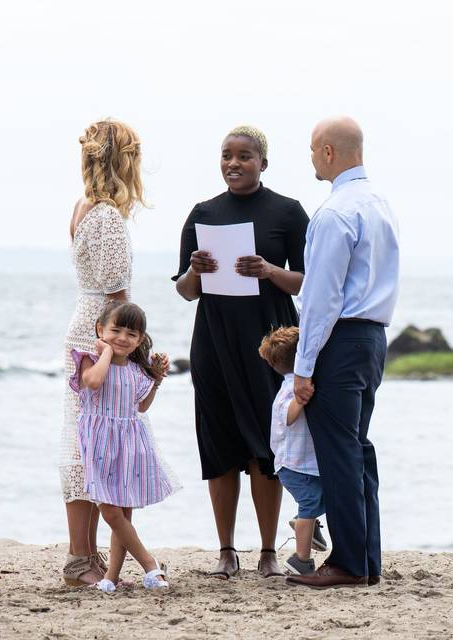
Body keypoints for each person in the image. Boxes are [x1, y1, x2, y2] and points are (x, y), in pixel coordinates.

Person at [173, 125, 310, 579]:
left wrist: (270, 270)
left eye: (245, 156)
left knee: (267, 446)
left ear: (262, 163)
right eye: (227, 155)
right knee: (219, 445)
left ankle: (269, 551)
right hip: (212, 343)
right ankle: (226, 551)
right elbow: (186, 292)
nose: (234, 163)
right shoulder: (203, 213)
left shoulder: (288, 213)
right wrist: (195, 271)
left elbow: (310, 280)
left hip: (269, 347)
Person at [287, 117, 400, 589]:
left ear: (329, 152)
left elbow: (321, 298)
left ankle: (350, 564)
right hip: (373, 339)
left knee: (337, 453)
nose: (311, 157)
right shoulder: (379, 204)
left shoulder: (334, 213)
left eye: (313, 150)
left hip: (342, 338)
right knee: (357, 449)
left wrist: (302, 367)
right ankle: (366, 559)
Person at [61, 118, 146, 586]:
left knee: (83, 439)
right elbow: (118, 297)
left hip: (82, 323)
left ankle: (85, 558)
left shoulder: (82, 207)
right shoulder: (109, 217)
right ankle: (80, 560)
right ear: (124, 162)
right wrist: (127, 350)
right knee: (95, 444)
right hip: (102, 336)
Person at [69, 301, 180, 593]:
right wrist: (105, 352)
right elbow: (93, 384)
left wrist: (155, 381)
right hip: (99, 444)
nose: (122, 338)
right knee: (110, 511)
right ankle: (150, 563)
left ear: (140, 340)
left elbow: (140, 407)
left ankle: (111, 577)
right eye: (115, 330)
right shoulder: (89, 360)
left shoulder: (135, 370)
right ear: (100, 330)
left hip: (131, 444)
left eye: (131, 334)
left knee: (123, 514)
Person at [258, 327, 328, 575]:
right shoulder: (290, 389)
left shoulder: (294, 383)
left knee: (321, 499)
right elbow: (287, 417)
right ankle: (300, 559)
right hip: (292, 465)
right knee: (310, 502)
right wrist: (300, 400)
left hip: (303, 462)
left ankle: (306, 527)